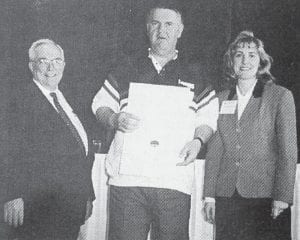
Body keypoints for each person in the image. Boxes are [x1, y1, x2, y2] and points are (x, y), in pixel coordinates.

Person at [92, 1, 219, 239]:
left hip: (174, 179)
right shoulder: (126, 66)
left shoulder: (195, 72)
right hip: (128, 179)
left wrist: (198, 141)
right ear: (147, 28)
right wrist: (114, 118)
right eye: (155, 23)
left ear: (180, 30)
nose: (162, 30)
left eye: (169, 24)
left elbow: (208, 116)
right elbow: (100, 105)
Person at [203, 31, 297, 240]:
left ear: (261, 60)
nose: (245, 61)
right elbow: (215, 151)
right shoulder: (219, 99)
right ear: (231, 61)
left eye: (252, 55)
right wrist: (209, 195)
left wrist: (282, 197)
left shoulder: (280, 96)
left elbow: (288, 152)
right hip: (227, 196)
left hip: (267, 197)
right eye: (239, 55)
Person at [4, 39, 95, 240]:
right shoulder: (17, 101)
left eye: (57, 60)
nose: (51, 67)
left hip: (70, 208)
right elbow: (7, 150)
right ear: (31, 66)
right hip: (35, 209)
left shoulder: (70, 98)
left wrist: (87, 195)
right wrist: (11, 194)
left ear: (64, 64)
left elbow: (82, 150)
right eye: (43, 61)